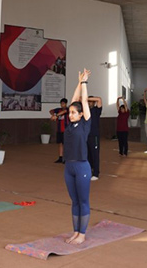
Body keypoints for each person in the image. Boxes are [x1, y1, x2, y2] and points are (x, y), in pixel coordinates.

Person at [63, 68, 92, 245]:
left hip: (82, 166)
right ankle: (75, 231)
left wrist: (84, 83)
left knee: (83, 200)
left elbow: (83, 101)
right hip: (69, 167)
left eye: (74, 113)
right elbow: (74, 101)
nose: (71, 114)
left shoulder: (85, 124)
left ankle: (82, 233)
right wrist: (77, 82)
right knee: (74, 201)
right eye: (70, 112)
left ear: (81, 114)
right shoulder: (70, 125)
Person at [86, 95, 102, 180]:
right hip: (86, 135)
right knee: (88, 155)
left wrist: (87, 98)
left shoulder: (97, 110)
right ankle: (90, 170)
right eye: (88, 102)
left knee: (95, 154)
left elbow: (99, 99)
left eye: (91, 101)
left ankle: (96, 173)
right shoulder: (85, 110)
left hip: (94, 135)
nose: (89, 103)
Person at [50, 98, 69, 163]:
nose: (62, 105)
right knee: (60, 143)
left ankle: (66, 158)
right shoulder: (58, 110)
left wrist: (56, 115)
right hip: (59, 129)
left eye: (63, 104)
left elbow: (64, 112)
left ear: (66, 104)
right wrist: (53, 115)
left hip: (66, 130)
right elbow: (51, 111)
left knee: (66, 144)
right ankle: (60, 157)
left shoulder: (68, 109)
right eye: (61, 104)